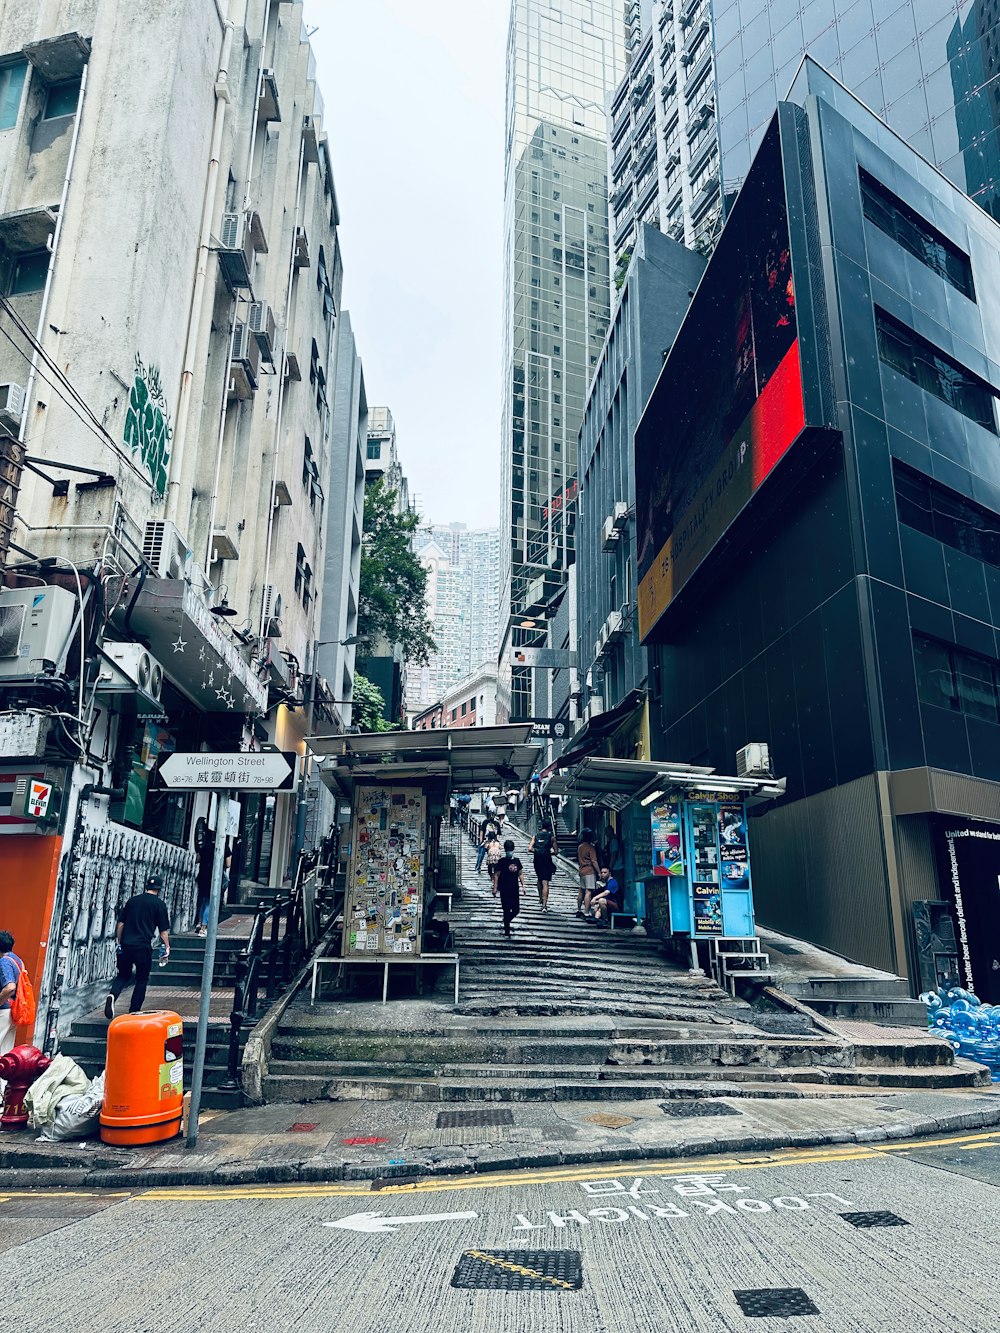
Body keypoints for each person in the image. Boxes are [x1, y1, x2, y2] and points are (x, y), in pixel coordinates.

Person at [104, 874, 171, 1019]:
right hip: (143, 946)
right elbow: (163, 931)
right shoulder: (159, 905)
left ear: (146, 886)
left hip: (126, 945)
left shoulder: (132, 901)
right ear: (159, 889)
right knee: (142, 978)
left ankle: (112, 995)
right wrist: (167, 947)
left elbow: (121, 924)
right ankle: (134, 1011)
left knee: (123, 975)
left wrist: (120, 942)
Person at [0, 931, 24, 1078]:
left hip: (3, 1011)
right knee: (5, 1055)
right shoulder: (17, 960)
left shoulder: (4, 961)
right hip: (13, 1011)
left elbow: (10, 987)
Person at [492, 839, 524, 938]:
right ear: (505, 850)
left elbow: (520, 873)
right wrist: (495, 887)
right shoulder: (501, 862)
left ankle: (507, 921)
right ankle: (507, 930)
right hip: (504, 888)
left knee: (516, 910)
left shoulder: (517, 861)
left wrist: (523, 885)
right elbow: (496, 875)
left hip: (514, 888)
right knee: (506, 909)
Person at [527, 819, 557, 911]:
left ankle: (540, 897)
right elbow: (556, 852)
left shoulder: (535, 836)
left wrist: (538, 852)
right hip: (547, 861)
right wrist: (548, 853)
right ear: (549, 827)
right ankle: (544, 905)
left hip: (537, 861)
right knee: (545, 883)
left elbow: (530, 848)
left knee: (539, 879)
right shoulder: (552, 837)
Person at [575, 827, 600, 918]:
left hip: (581, 870)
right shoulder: (590, 847)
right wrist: (599, 872)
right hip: (589, 870)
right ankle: (586, 911)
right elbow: (594, 861)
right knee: (588, 892)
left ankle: (578, 909)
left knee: (581, 890)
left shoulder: (580, 847)